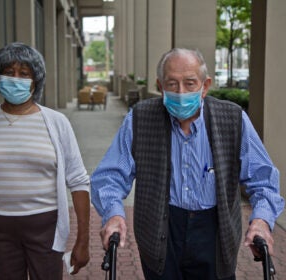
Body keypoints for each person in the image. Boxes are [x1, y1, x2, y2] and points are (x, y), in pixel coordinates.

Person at [91, 48, 284, 280]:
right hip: (160, 229)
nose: (181, 92)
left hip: (215, 232)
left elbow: (263, 179)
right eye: (172, 84)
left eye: (190, 83)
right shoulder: (140, 118)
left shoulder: (233, 119)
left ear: (205, 85)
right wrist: (113, 214)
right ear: (160, 86)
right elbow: (110, 176)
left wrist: (262, 220)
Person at [0, 42, 90, 279]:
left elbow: (78, 181)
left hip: (44, 227)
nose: (16, 79)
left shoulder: (57, 122)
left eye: (24, 74)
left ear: (36, 81)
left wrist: (83, 240)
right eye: (8, 72)